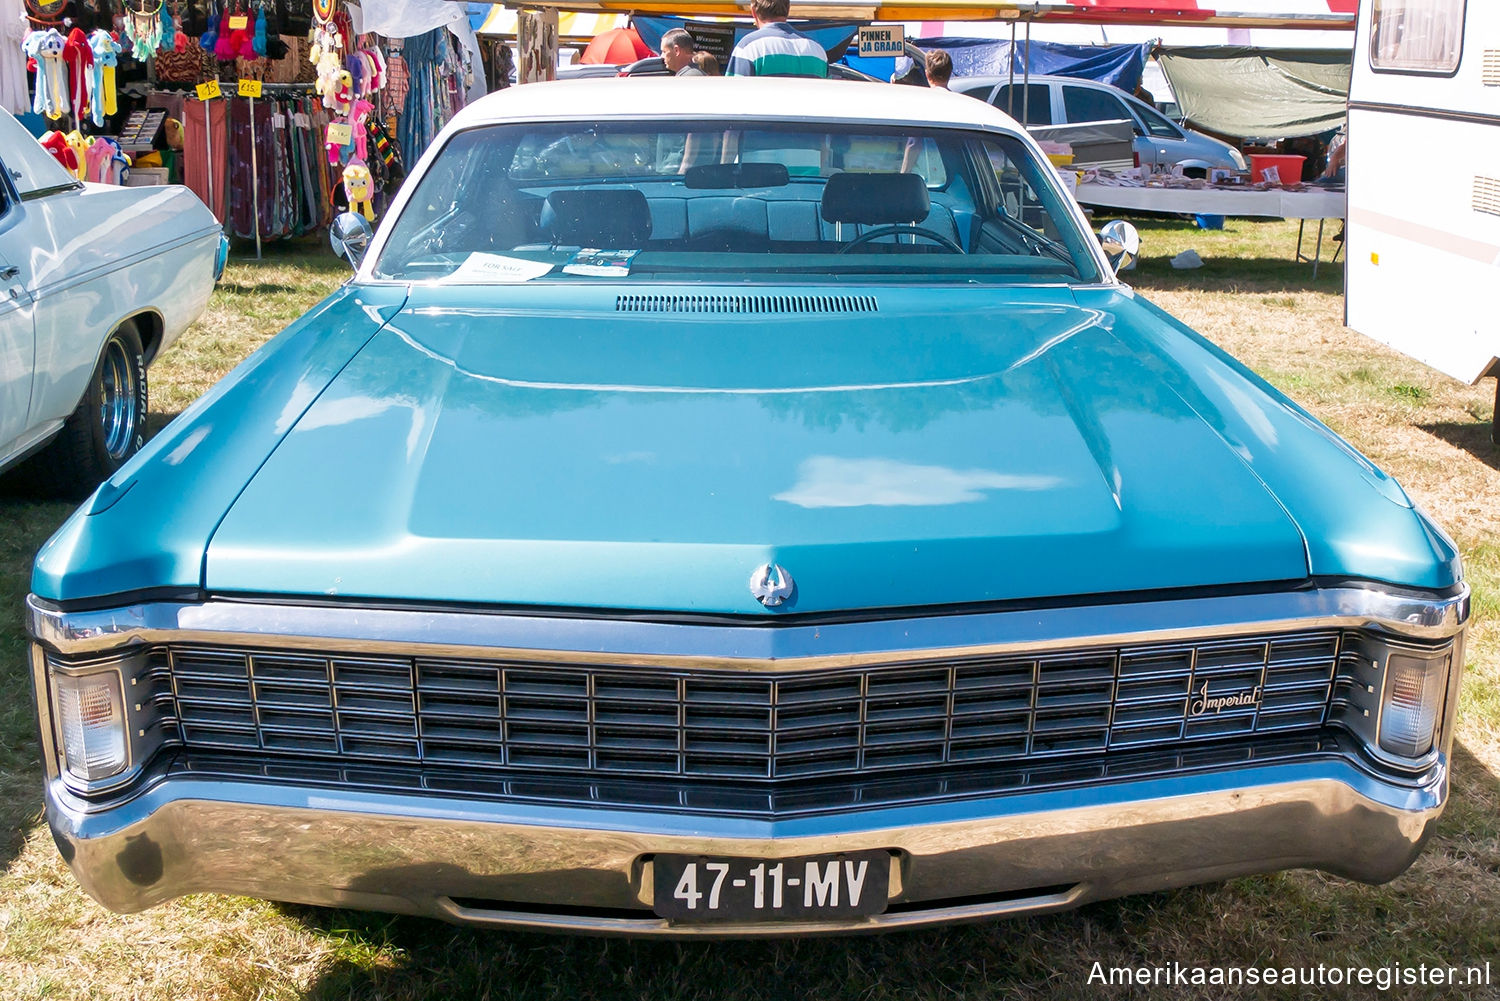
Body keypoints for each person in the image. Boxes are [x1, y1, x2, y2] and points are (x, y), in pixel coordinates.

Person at [725, 0, 827, 78]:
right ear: (788, 9)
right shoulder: (817, 50)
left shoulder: (748, 48)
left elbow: (734, 95)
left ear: (753, 10)